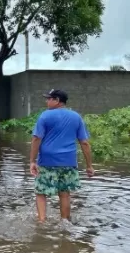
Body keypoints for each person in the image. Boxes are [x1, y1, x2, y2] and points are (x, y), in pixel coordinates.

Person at [29, 89, 94, 222]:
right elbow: (84, 143)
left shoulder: (45, 116)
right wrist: (89, 166)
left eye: (49, 98)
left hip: (47, 161)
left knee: (41, 193)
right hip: (68, 162)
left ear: (57, 100)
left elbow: (36, 139)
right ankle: (65, 223)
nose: (46, 101)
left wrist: (32, 161)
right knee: (64, 194)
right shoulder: (76, 117)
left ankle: (41, 222)